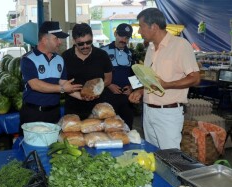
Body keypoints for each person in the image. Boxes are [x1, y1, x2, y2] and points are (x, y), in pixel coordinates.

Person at [129, 8, 200, 150]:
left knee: (170, 156)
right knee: (153, 153)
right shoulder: (150, 49)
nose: (139, 32)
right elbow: (151, 80)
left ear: (153, 26)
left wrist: (167, 85)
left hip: (168, 113)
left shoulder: (180, 45)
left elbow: (195, 78)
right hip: (148, 111)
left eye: (141, 27)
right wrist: (141, 91)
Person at [19, 21, 82, 133]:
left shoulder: (60, 59)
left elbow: (64, 84)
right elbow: (35, 85)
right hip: (33, 114)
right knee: (33, 149)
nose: (60, 42)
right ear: (44, 39)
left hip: (54, 114)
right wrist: (62, 89)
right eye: (56, 38)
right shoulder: (28, 59)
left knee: (53, 148)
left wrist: (82, 97)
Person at [62, 23, 113, 120]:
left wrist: (95, 92)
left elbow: (108, 79)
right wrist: (80, 95)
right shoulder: (65, 57)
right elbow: (62, 83)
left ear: (92, 38)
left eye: (88, 42)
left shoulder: (102, 55)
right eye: (81, 43)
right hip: (73, 108)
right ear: (74, 41)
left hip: (98, 108)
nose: (85, 46)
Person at [101, 23, 136, 128]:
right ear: (115, 34)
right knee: (107, 128)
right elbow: (96, 73)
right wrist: (109, 85)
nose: (123, 40)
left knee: (127, 128)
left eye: (127, 37)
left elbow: (136, 75)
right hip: (107, 97)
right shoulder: (103, 51)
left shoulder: (131, 54)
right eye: (121, 36)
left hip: (126, 99)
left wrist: (131, 88)